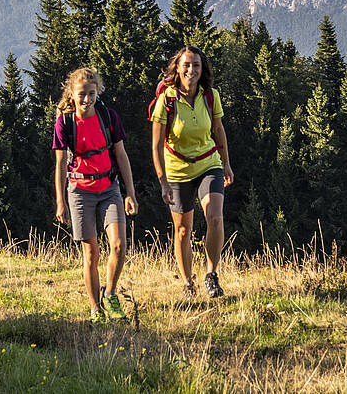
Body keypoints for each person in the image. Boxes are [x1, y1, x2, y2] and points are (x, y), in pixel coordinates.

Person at [52, 67, 139, 322]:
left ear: (97, 92)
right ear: (72, 93)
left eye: (91, 93)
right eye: (82, 94)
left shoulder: (108, 116)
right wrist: (60, 202)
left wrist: (129, 192)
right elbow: (59, 164)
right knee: (91, 253)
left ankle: (110, 294)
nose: (87, 99)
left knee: (119, 245)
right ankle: (95, 309)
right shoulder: (64, 122)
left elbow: (121, 155)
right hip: (79, 191)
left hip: (109, 187)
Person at [149, 45, 234, 299]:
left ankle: (211, 274)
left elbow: (218, 131)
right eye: (186, 65)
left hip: (209, 163)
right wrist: (162, 181)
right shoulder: (167, 100)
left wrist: (227, 163)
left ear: (202, 69)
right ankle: (188, 282)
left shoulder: (211, 96)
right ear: (177, 68)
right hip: (177, 170)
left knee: (215, 217)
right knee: (183, 230)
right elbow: (155, 145)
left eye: (196, 65)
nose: (191, 70)